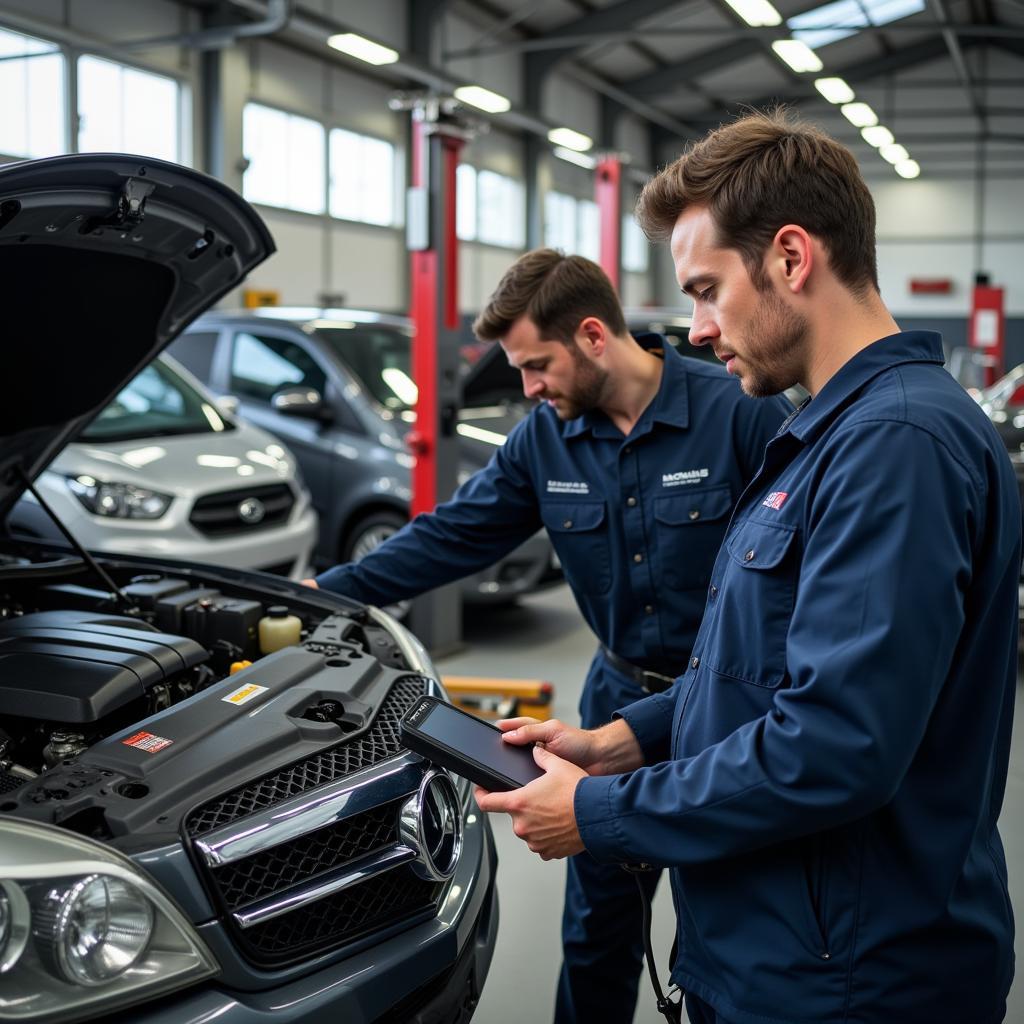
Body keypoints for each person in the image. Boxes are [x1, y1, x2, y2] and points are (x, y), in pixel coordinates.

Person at [474, 110, 1019, 1024]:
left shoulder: (894, 446)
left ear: (792, 258)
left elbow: (835, 746)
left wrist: (601, 815)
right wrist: (632, 738)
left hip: (844, 980)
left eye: (705, 289)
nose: (692, 330)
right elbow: (764, 670)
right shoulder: (831, 436)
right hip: (787, 948)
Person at [305, 248, 790, 1023]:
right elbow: (453, 535)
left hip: (729, 714)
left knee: (731, 926)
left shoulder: (739, 411)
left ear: (593, 335)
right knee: (599, 930)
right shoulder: (545, 440)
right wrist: (324, 594)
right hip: (611, 707)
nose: (528, 388)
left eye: (536, 365)